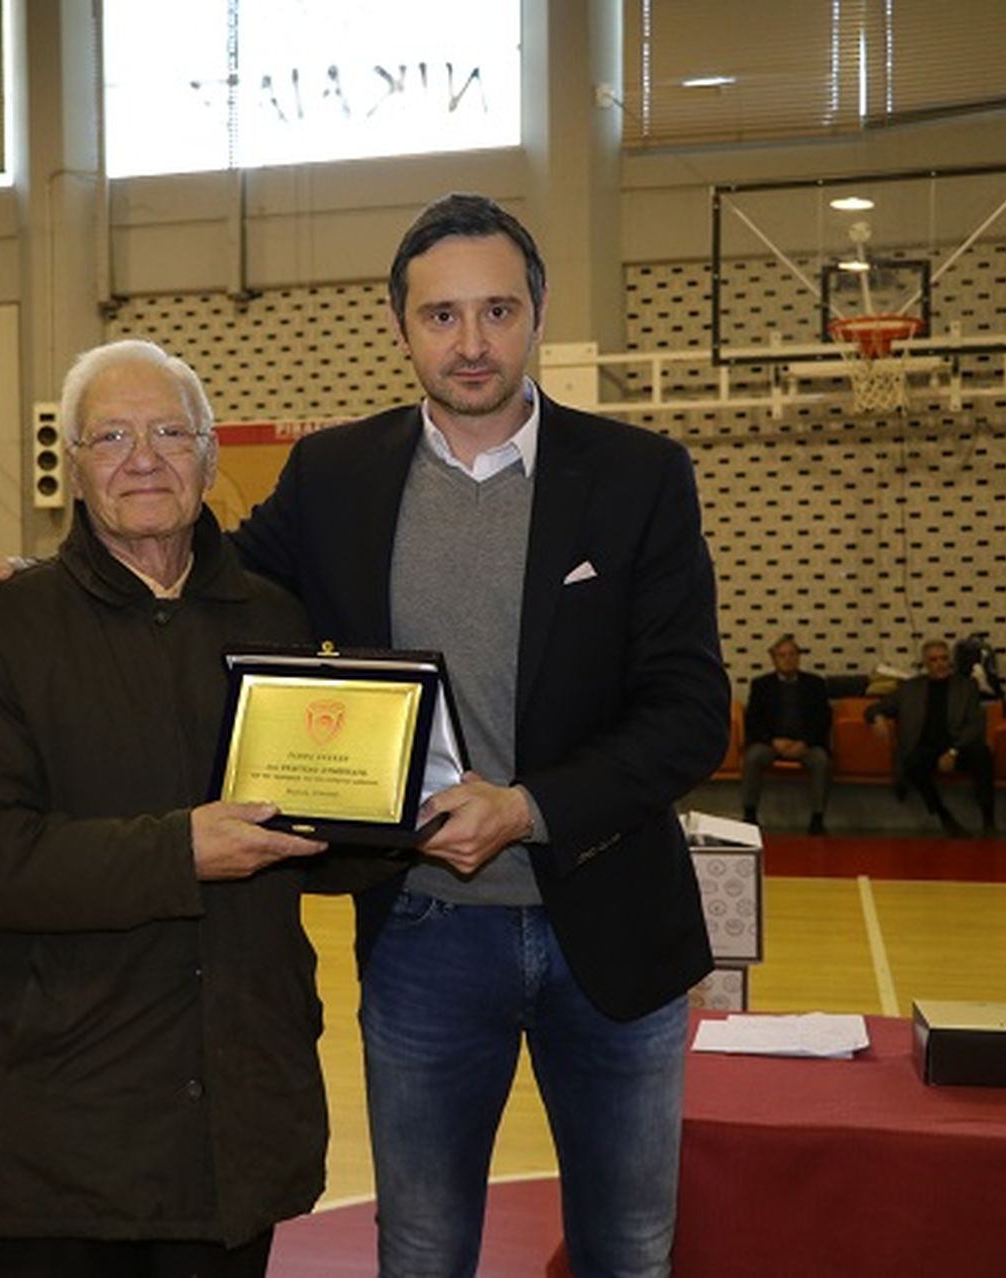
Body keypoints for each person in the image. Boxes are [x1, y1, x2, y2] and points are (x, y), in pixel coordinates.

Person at [228, 194, 730, 1278]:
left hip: (612, 926)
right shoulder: (332, 476)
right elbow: (204, 596)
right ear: (400, 326)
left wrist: (528, 808)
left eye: (497, 310)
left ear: (539, 311)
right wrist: (36, 585)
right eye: (441, 315)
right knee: (420, 1251)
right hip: (422, 932)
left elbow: (692, 714)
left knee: (629, 1251)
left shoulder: (640, 476)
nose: (471, 342)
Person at [0, 340, 372, 1277]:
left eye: (170, 432)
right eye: (112, 436)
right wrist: (178, 852)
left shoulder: (280, 624)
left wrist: (402, 812)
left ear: (210, 457)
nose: (143, 458)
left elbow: (318, 836)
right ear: (73, 467)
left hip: (235, 1121)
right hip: (61, 1130)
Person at [864, 638, 996, 837]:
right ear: (925, 664)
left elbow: (975, 725)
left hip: (957, 746)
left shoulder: (966, 687)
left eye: (944, 658)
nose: (940, 664)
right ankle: (943, 816)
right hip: (925, 748)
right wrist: (877, 717)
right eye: (934, 660)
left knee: (983, 755)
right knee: (912, 763)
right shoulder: (910, 689)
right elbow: (874, 708)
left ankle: (988, 819)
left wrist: (953, 751)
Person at [740, 635, 834, 834]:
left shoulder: (815, 684)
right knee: (753, 756)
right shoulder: (761, 685)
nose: (788, 659)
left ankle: (817, 819)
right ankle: (749, 816)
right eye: (782, 655)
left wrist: (805, 742)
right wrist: (773, 741)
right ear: (773, 659)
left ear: (799, 657)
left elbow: (823, 719)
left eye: (792, 654)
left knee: (821, 761)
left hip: (806, 745)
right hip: (771, 743)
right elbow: (753, 720)